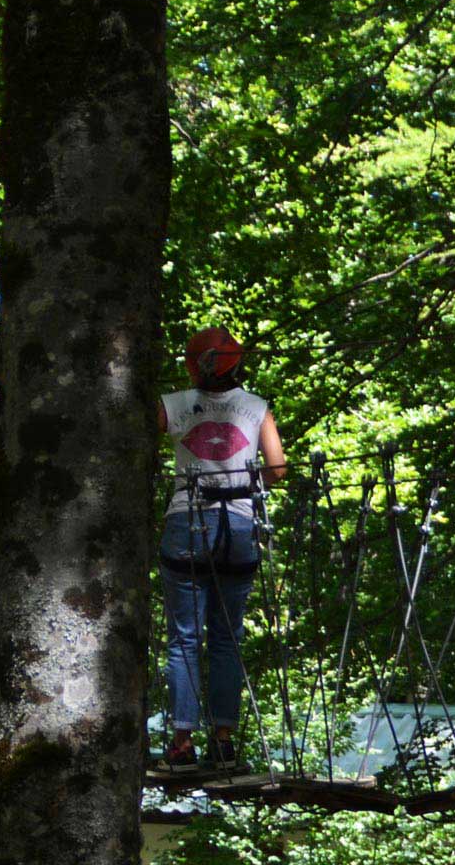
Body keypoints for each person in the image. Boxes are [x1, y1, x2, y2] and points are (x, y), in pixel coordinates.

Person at [154, 326, 287, 774]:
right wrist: (246, 484)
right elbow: (279, 469)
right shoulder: (257, 408)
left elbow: (137, 447)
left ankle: (182, 742)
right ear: (237, 364)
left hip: (185, 523)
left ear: (194, 365)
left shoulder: (171, 405)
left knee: (185, 638)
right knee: (227, 640)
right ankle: (224, 741)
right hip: (239, 526)